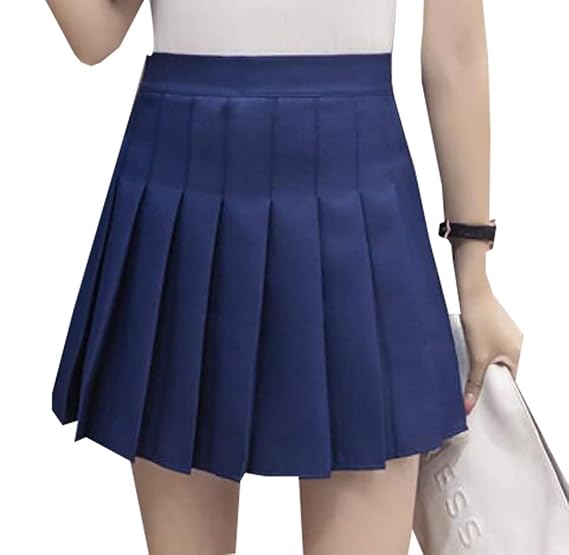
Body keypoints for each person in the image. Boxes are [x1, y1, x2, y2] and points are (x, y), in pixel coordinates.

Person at [47, 0, 523, 553]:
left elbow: (456, 53)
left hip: (348, 183)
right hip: (189, 177)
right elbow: (96, 32)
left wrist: (476, 283)